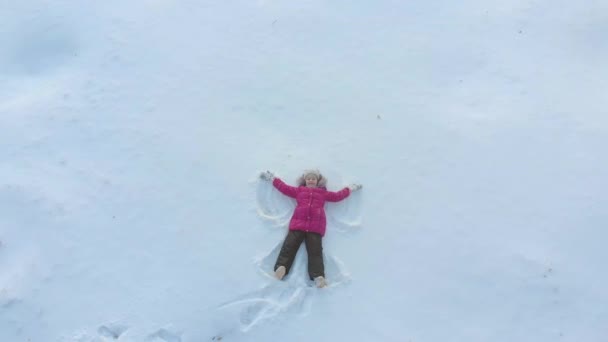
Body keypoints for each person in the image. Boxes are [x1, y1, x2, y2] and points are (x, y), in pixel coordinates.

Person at [260, 169, 362, 288]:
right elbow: (285, 188)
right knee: (289, 246)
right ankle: (281, 268)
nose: (311, 180)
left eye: (313, 178)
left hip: (315, 228)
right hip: (298, 225)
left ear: (318, 181)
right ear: (305, 180)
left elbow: (337, 196)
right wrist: (273, 179)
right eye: (308, 178)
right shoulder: (299, 191)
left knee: (315, 252)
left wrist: (349, 189)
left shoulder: (323, 193)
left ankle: (318, 276)